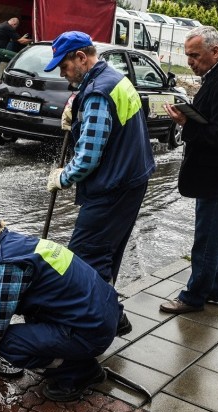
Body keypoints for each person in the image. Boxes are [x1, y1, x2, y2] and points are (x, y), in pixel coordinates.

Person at [0, 207, 121, 405]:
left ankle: (80, 372)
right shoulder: (20, 244)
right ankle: (75, 355)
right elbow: (9, 306)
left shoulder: (7, 264)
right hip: (106, 313)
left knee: (6, 343)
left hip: (93, 330)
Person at [43, 31, 155, 336]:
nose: (64, 74)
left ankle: (89, 330)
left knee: (82, 259)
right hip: (131, 181)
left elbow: (89, 157)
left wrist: (62, 178)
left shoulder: (97, 93)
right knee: (105, 255)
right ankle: (111, 317)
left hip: (112, 187)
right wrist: (77, 112)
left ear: (81, 57)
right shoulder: (113, 79)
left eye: (64, 66)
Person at [159, 26, 218, 314]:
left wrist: (187, 124)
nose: (190, 62)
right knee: (212, 234)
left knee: (206, 238)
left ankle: (194, 296)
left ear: (214, 52)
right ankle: (217, 288)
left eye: (195, 56)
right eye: (187, 55)